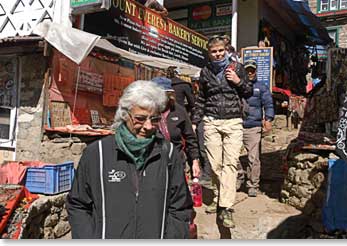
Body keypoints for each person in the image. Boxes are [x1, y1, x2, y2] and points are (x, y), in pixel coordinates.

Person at [66, 80, 193, 239]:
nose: (148, 126)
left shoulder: (168, 154)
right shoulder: (97, 154)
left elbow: (180, 207)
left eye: (154, 119)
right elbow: (78, 205)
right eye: (140, 118)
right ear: (125, 115)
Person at [191, 35, 253, 228]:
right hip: (211, 121)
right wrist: (195, 121)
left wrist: (237, 81)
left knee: (230, 164)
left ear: (225, 50)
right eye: (214, 51)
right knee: (215, 164)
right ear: (209, 54)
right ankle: (218, 196)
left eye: (220, 50)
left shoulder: (237, 68)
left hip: (233, 121)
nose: (218, 54)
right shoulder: (205, 72)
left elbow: (248, 91)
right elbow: (201, 98)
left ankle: (226, 207)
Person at [151, 76, 201, 179]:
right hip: (153, 161)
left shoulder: (179, 111)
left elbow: (190, 138)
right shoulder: (147, 111)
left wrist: (195, 161)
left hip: (176, 159)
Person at [242, 59, 274, 197]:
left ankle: (253, 185)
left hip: (253, 126)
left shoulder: (261, 87)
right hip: (236, 125)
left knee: (253, 158)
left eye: (252, 70)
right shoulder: (237, 86)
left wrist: (268, 119)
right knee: (231, 156)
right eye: (247, 70)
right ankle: (238, 178)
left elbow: (268, 104)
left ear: (255, 71)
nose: (249, 73)